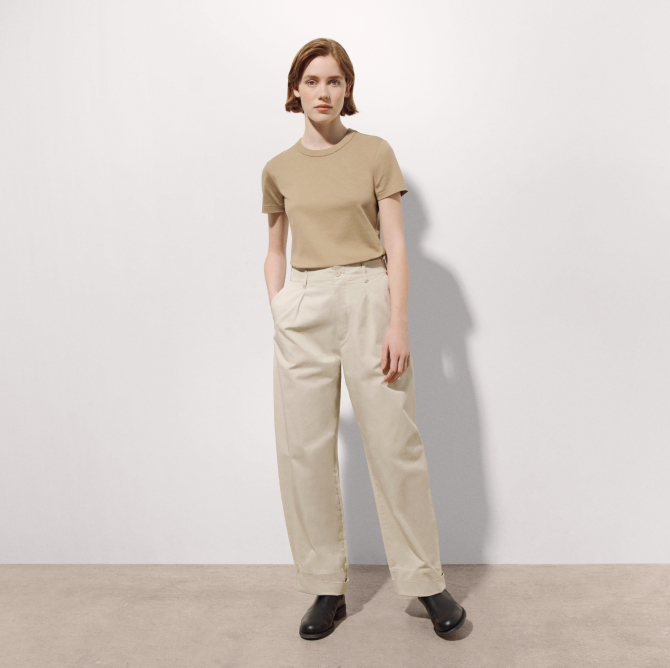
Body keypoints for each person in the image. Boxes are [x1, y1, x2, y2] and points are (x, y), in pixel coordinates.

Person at [261, 37, 466, 641]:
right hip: (303, 303)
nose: (323, 92)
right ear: (295, 90)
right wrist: (280, 307)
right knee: (303, 449)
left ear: (347, 89)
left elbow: (395, 243)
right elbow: (274, 248)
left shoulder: (375, 152)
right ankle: (326, 587)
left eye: (334, 81)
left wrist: (397, 320)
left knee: (394, 441)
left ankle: (425, 581)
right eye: (312, 81)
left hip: (368, 295)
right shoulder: (278, 168)